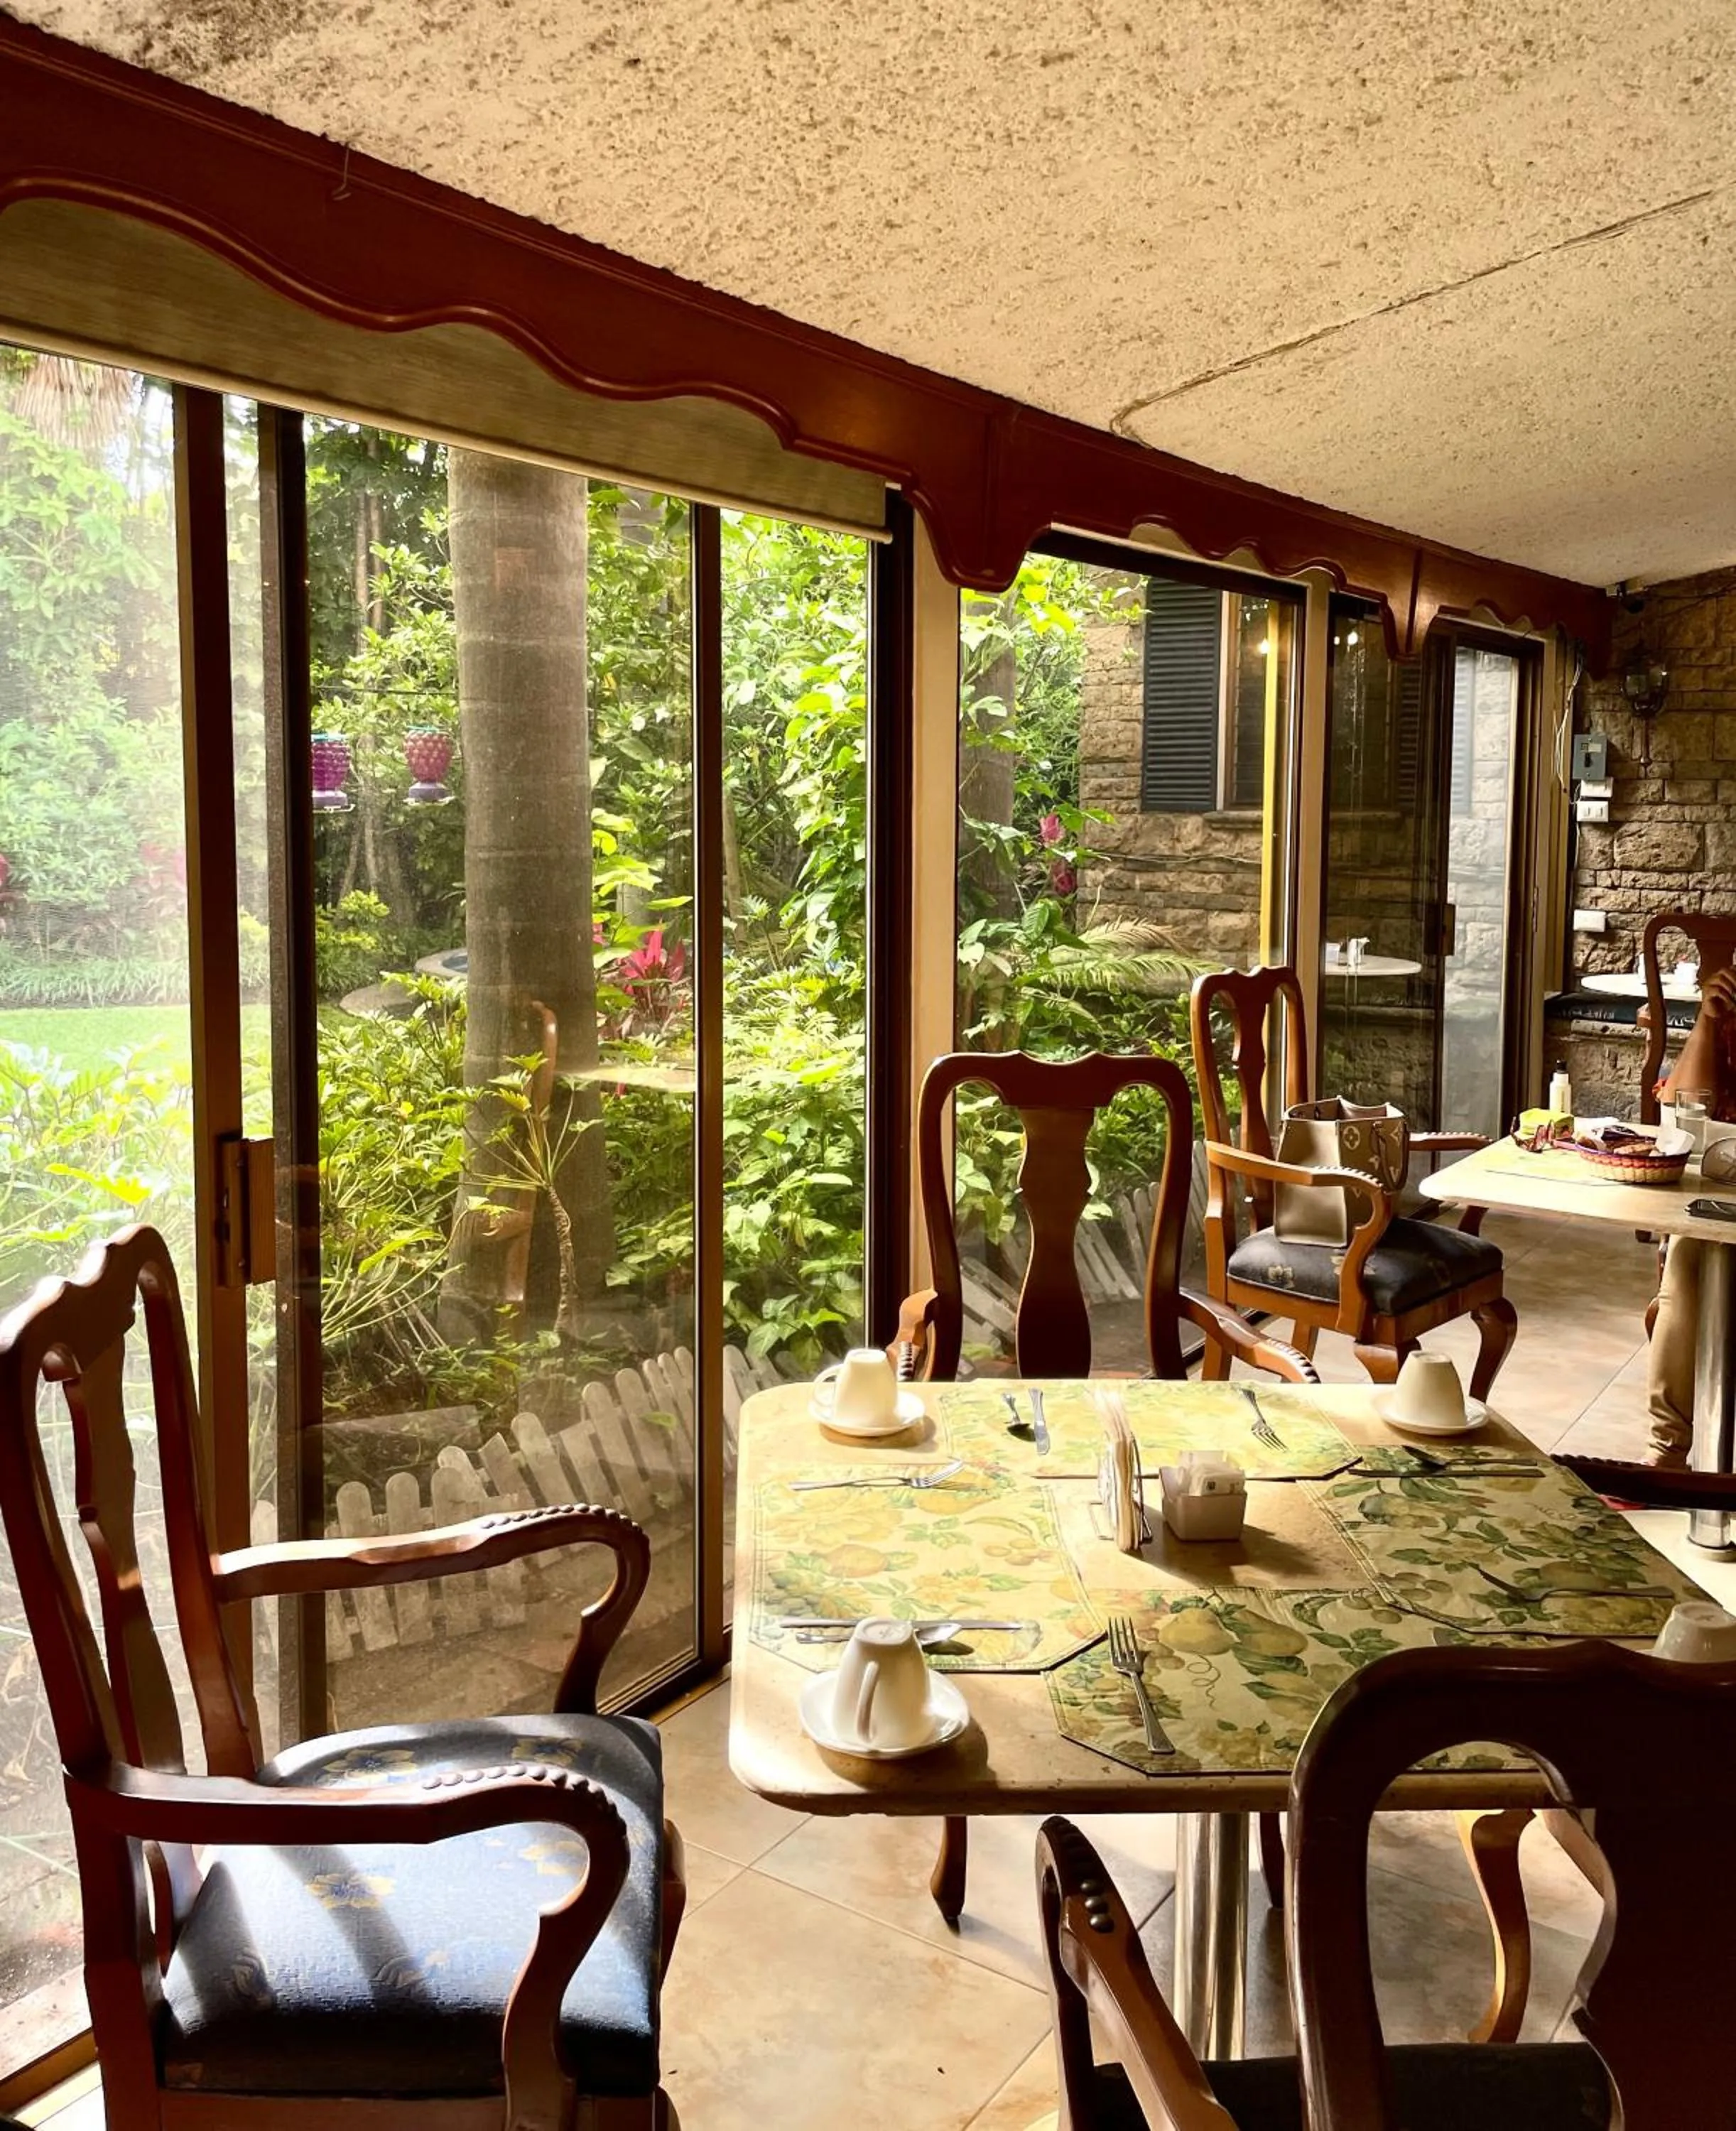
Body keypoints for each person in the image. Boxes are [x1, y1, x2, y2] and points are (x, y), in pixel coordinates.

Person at [1648, 963, 1736, 1465]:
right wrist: (1707, 1020)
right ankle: (1665, 1456)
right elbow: (1682, 1111)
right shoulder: (1729, 1014)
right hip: (1725, 1194)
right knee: (1689, 1257)